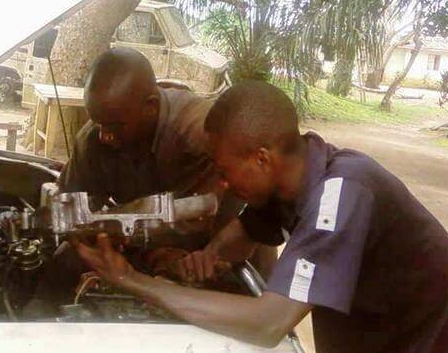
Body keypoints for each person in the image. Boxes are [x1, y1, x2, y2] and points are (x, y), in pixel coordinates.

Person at [75, 80, 448, 353]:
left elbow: (268, 322)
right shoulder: (292, 177)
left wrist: (135, 282)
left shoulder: (343, 195)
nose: (219, 185)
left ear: (261, 159)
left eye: (223, 171)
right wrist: (203, 258)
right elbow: (239, 237)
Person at [38, 48, 276, 303]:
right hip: (149, 247)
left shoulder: (203, 134)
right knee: (61, 263)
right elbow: (70, 212)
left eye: (115, 126)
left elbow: (215, 218)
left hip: (225, 250)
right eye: (98, 123)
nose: (104, 136)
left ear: (151, 106)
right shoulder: (93, 140)